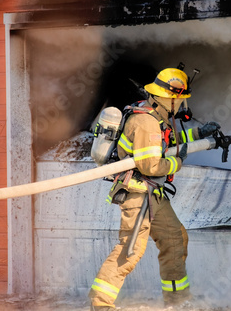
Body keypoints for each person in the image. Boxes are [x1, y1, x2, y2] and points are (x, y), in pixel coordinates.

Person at [89, 67, 220, 311]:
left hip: (153, 195)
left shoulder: (155, 115)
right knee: (130, 250)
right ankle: (100, 304)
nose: (181, 104)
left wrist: (199, 133)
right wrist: (177, 162)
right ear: (167, 98)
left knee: (175, 240)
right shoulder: (146, 122)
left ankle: (178, 303)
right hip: (138, 194)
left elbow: (170, 142)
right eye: (179, 99)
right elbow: (151, 164)